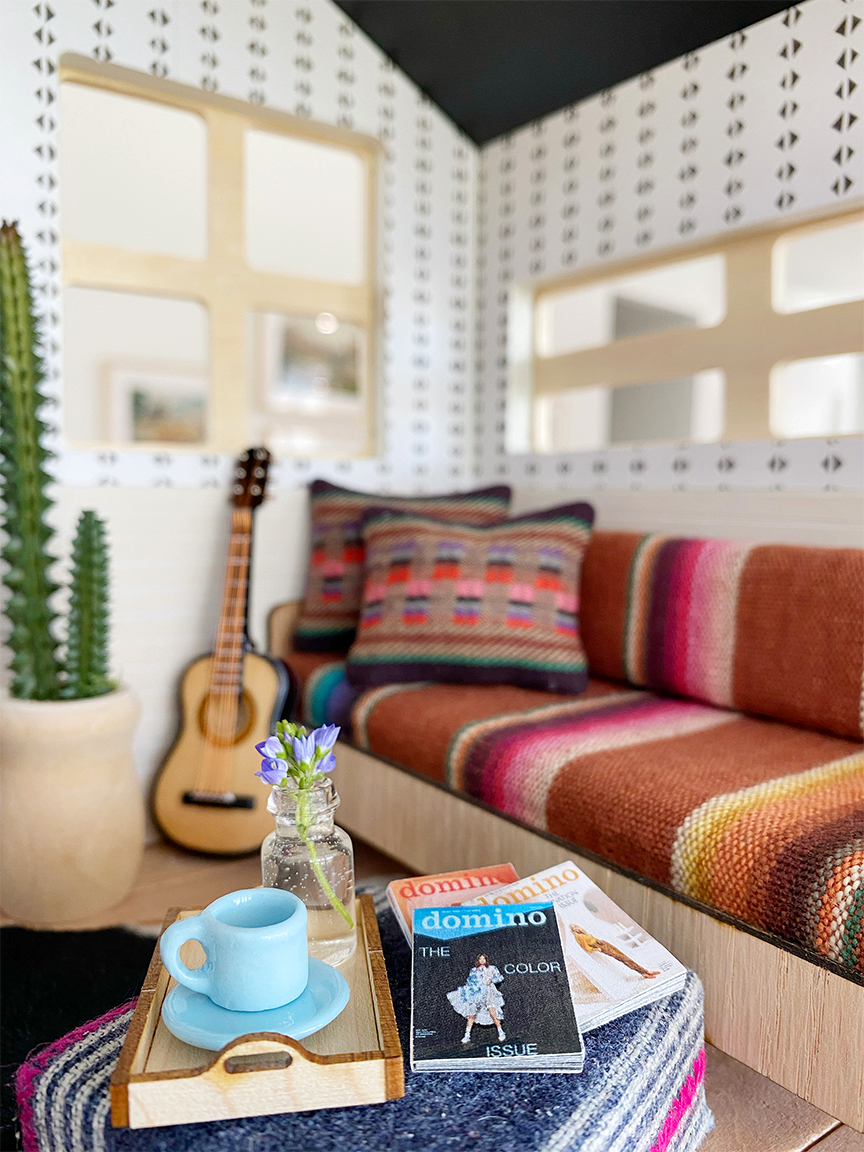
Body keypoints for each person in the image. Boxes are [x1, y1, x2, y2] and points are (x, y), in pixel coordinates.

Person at [446, 953, 505, 1044]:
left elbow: (500, 977)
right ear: (478, 960)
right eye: (480, 959)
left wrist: (492, 980)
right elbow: (470, 981)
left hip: (489, 992)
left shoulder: (492, 968)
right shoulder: (473, 970)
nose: (482, 960)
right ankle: (467, 1035)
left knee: (492, 1012)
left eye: (483, 959)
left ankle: (501, 1032)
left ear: (486, 960)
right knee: (472, 1013)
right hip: (476, 993)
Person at [570, 924, 660, 978]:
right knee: (622, 958)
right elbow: (586, 947)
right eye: (574, 928)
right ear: (573, 930)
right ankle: (643, 972)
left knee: (624, 956)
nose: (576, 928)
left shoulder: (584, 933)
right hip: (600, 946)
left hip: (603, 943)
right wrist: (596, 949)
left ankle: (645, 971)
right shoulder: (579, 936)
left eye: (576, 926)